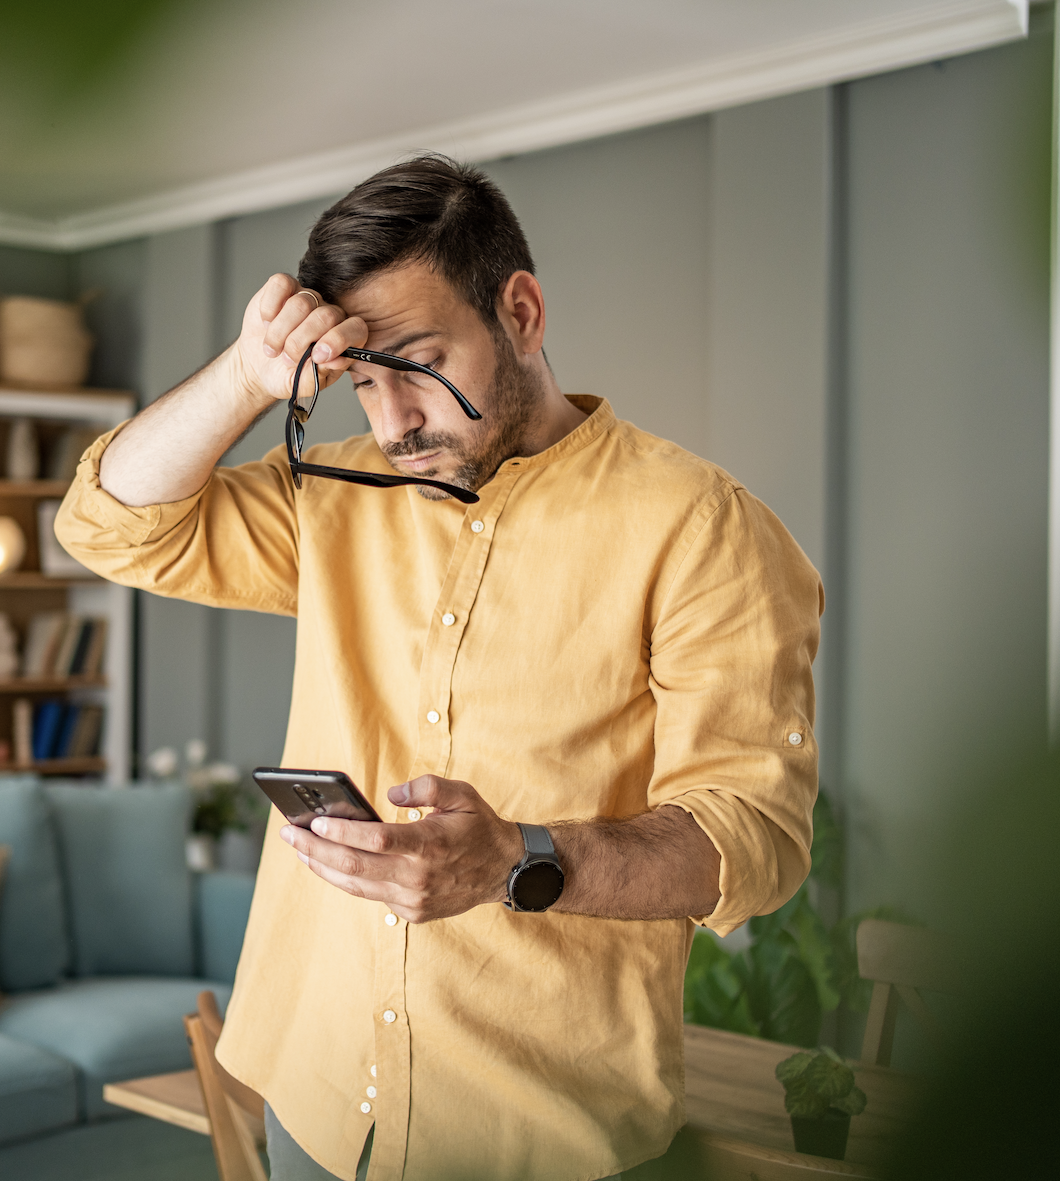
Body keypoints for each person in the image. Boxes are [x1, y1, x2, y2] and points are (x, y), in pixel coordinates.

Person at [56, 155, 822, 1181]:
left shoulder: (703, 529)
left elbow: (753, 836)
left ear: (522, 313)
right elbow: (107, 527)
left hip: (535, 1135)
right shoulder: (334, 495)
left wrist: (516, 859)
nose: (391, 425)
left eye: (417, 366)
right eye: (362, 383)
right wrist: (246, 374)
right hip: (316, 1093)